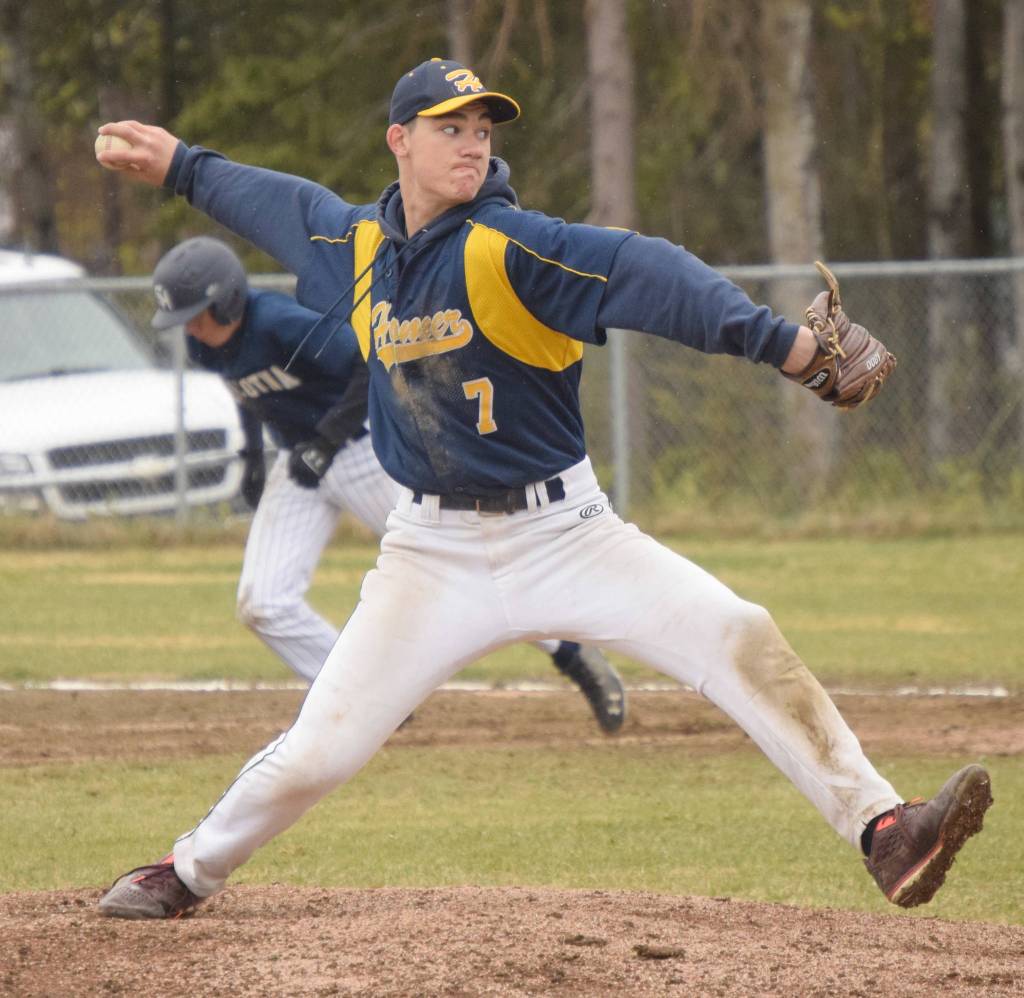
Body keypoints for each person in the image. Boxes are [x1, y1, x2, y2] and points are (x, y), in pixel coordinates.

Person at [95, 58, 992, 920]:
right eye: (450, 127)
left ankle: (884, 830)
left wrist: (783, 345)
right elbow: (277, 205)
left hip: (569, 535)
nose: (472, 143)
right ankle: (188, 870)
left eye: (482, 126)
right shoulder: (360, 248)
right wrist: (179, 165)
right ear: (398, 141)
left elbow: (648, 272)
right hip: (428, 555)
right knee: (318, 752)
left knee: (741, 636)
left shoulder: (513, 247)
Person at [148, 233, 627, 732]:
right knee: (262, 604)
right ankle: (368, 701)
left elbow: (367, 362)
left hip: (362, 449)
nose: (192, 330)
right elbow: (247, 391)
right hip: (301, 464)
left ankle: (574, 656)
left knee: (474, 562)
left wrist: (327, 441)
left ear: (226, 302)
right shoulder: (204, 345)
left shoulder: (278, 324)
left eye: (197, 315)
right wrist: (252, 457)